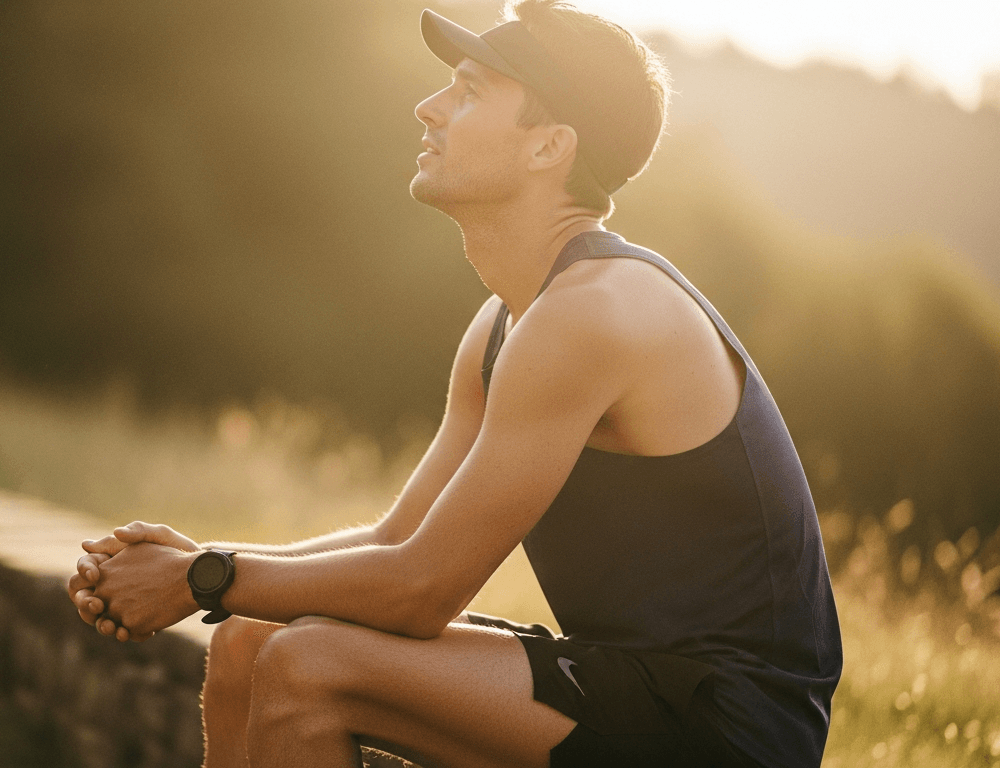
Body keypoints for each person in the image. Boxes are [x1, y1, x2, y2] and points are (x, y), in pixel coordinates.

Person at [67, 2, 842, 766]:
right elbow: (397, 540)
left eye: (469, 93)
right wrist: (205, 564)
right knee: (249, 641)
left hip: (730, 727)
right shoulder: (509, 324)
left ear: (549, 148)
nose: (428, 107)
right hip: (631, 679)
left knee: (309, 668)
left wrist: (202, 577)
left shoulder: (595, 313)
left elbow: (420, 589)